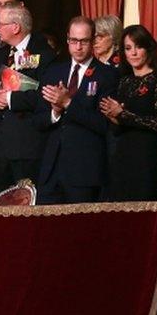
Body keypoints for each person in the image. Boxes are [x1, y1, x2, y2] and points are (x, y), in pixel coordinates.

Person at [35, 17, 116, 204]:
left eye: (84, 41)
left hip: (84, 171)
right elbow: (37, 120)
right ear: (67, 40)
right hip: (51, 170)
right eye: (74, 41)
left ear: (93, 40)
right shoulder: (53, 72)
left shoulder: (107, 75)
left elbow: (103, 124)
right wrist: (54, 112)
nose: (78, 47)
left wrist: (68, 104)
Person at [0, 4, 56, 197]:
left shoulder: (44, 54)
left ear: (15, 27)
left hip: (25, 149)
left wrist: (9, 98)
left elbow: (44, 96)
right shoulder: (2, 52)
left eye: (0, 23)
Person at [99, 25, 157, 201]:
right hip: (121, 155)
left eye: (138, 47)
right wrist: (112, 116)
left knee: (144, 211)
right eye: (128, 48)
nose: (133, 53)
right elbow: (118, 126)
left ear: (148, 48)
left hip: (146, 155)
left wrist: (122, 114)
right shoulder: (124, 81)